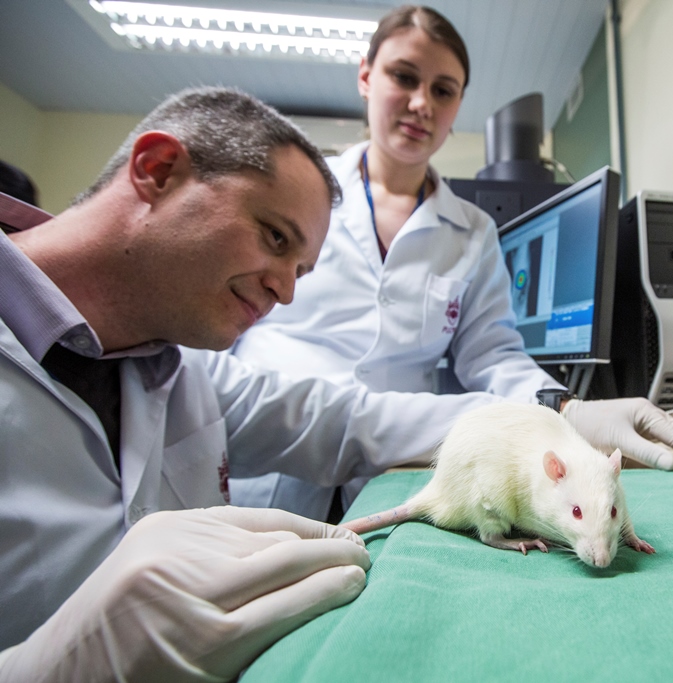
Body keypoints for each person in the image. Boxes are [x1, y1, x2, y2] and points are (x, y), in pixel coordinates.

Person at [229, 5, 673, 522]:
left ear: (459, 102)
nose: (422, 102)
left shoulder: (472, 231)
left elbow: (492, 357)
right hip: (266, 454)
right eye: (404, 76)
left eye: (443, 90)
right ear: (365, 75)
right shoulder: (297, 195)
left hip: (394, 467)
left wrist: (566, 408)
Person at [0, 86, 394, 681]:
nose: (287, 291)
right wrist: (46, 667)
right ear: (157, 170)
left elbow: (346, 419)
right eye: (276, 238)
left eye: (301, 271)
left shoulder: (181, 370)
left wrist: (567, 415)